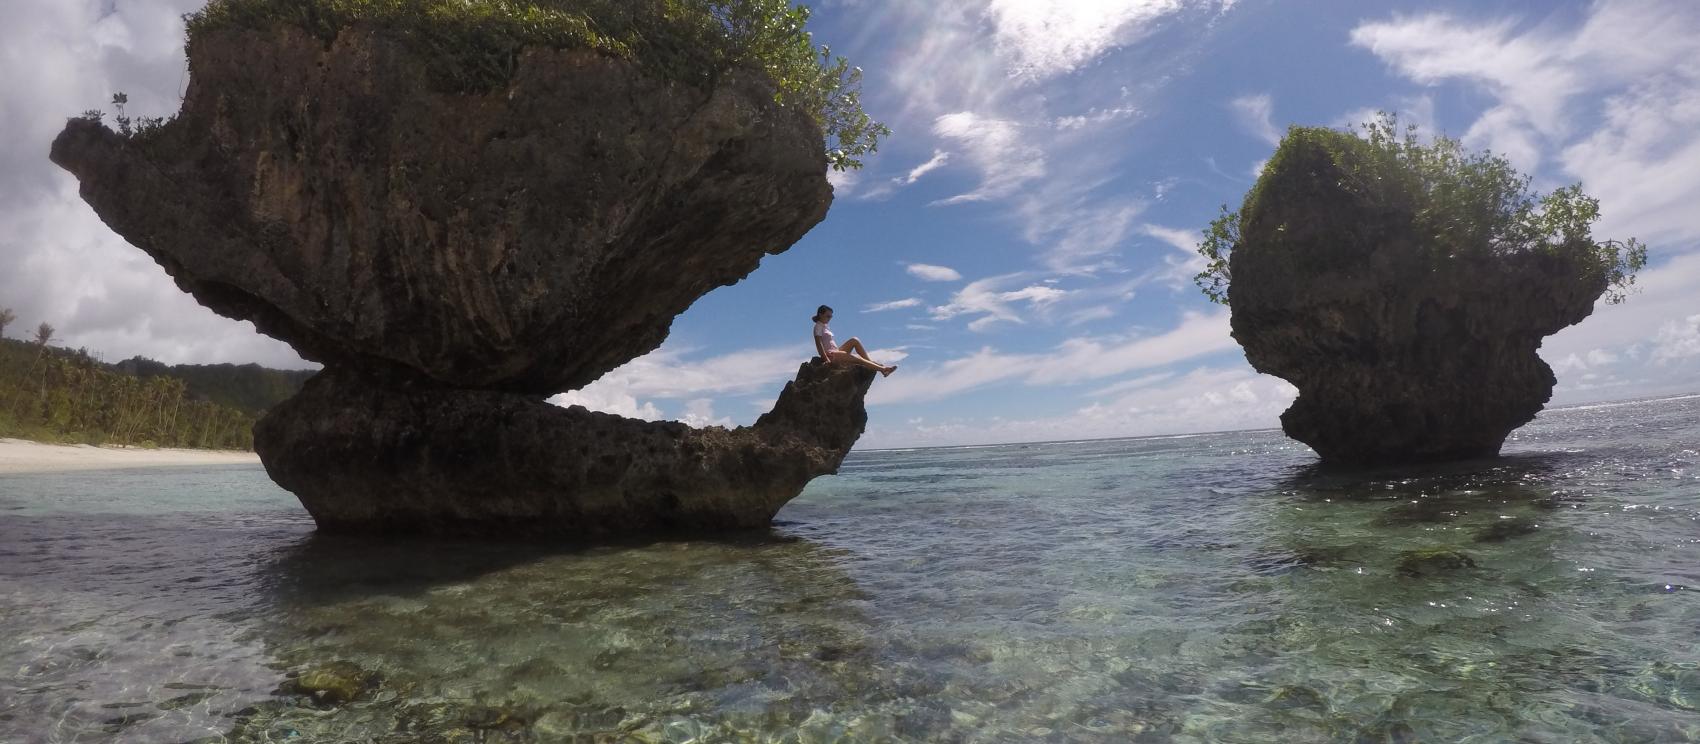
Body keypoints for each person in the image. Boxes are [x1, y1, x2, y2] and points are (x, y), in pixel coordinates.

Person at [812, 305, 897, 376]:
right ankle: (883, 369)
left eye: (831, 316)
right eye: (828, 316)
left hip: (836, 351)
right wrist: (826, 360)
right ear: (820, 314)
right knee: (857, 358)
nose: (830, 318)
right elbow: (819, 345)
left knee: (854, 340)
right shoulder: (818, 327)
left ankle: (870, 362)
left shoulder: (824, 326)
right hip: (831, 355)